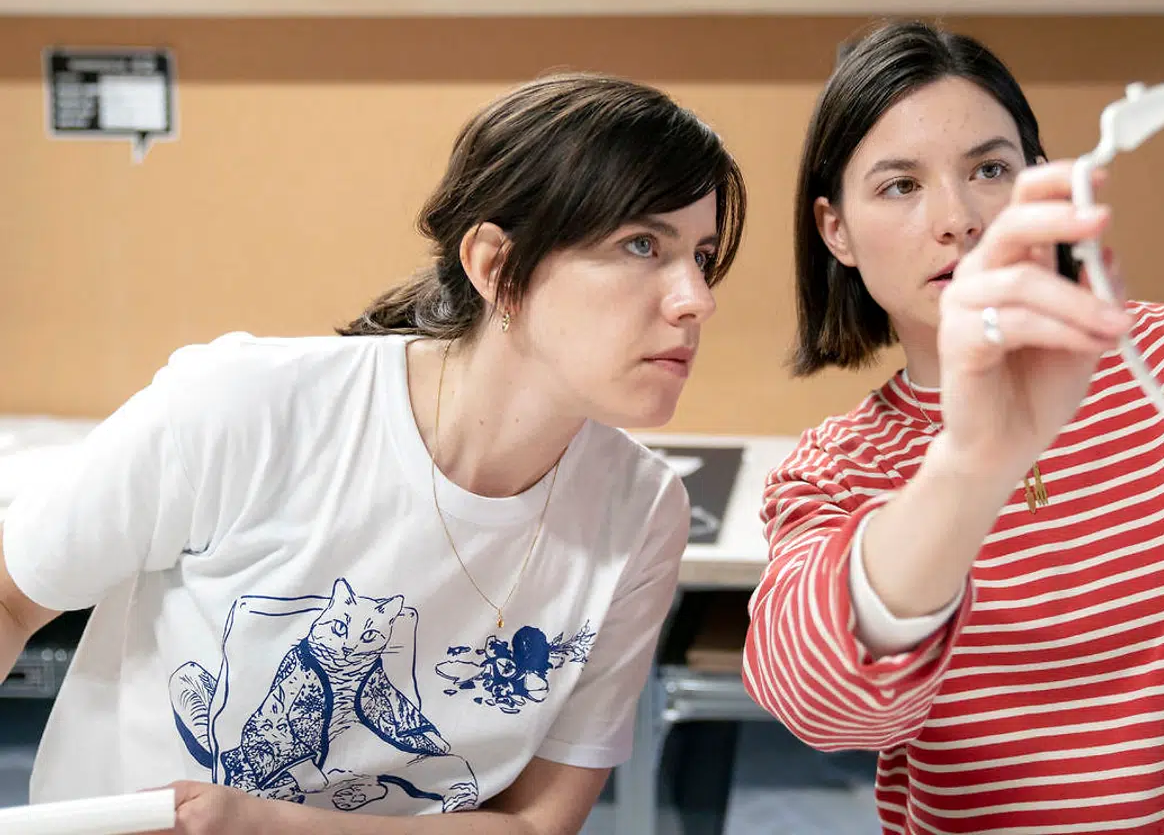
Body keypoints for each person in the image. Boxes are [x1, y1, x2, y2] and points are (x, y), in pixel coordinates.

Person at [740, 18, 1164, 834]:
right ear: (836, 231)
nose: (957, 218)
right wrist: (972, 463)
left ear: (1044, 185)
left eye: (990, 170)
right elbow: (817, 705)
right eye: (900, 185)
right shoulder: (836, 470)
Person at [0, 71, 746, 833]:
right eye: (642, 244)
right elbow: (9, 595)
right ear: (496, 266)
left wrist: (266, 825)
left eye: (703, 254)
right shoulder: (245, 406)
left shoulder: (641, 509)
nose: (697, 298)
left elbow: (532, 825)